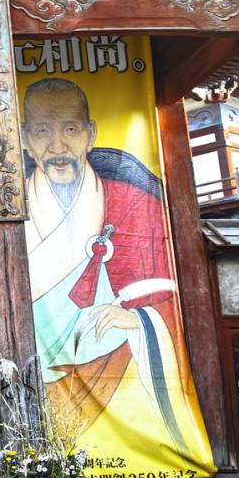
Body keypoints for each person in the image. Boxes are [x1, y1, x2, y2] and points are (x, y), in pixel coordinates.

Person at [20, 77, 191, 448]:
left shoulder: (132, 200)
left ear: (91, 134)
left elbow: (167, 294)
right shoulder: (2, 206)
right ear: (24, 139)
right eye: (43, 131)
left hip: (118, 360)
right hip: (31, 367)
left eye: (70, 129)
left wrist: (140, 321)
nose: (58, 146)